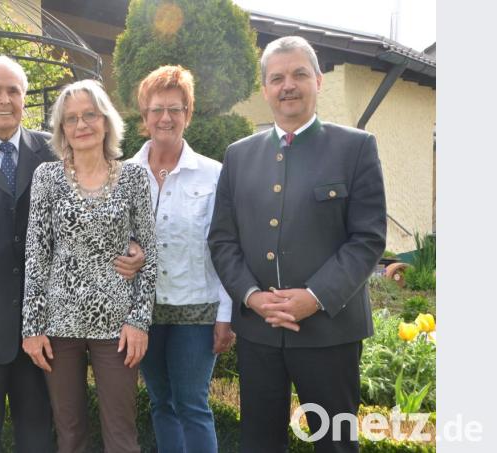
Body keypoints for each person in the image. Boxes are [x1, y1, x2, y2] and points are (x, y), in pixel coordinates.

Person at [0, 56, 145, 452]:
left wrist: (132, 249)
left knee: (42, 435)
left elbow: (94, 211)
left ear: (25, 97)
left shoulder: (53, 153)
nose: (4, 99)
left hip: (46, 331)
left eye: (13, 90)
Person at [208, 36, 387, 453]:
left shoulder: (356, 147)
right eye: (277, 78)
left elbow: (367, 238)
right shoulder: (238, 155)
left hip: (329, 330)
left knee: (336, 444)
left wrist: (314, 296)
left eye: (299, 74)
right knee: (258, 443)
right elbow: (222, 239)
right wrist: (252, 297)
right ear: (265, 88)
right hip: (259, 332)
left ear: (318, 81)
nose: (287, 85)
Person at [21, 79, 157, 453]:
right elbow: (37, 253)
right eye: (71, 119)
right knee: (69, 431)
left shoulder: (133, 177)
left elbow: (149, 252)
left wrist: (139, 321)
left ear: (106, 121)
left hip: (117, 327)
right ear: (62, 129)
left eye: (90, 116)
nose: (81, 125)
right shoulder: (46, 177)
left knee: (121, 432)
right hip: (58, 325)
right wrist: (31, 327)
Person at [126, 65, 234, 453]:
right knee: (161, 404)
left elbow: (226, 249)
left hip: (197, 313)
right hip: (142, 315)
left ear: (188, 114)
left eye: (175, 108)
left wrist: (226, 314)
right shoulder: (124, 176)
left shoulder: (215, 175)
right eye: (157, 110)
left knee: (192, 405)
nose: (165, 118)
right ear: (144, 117)